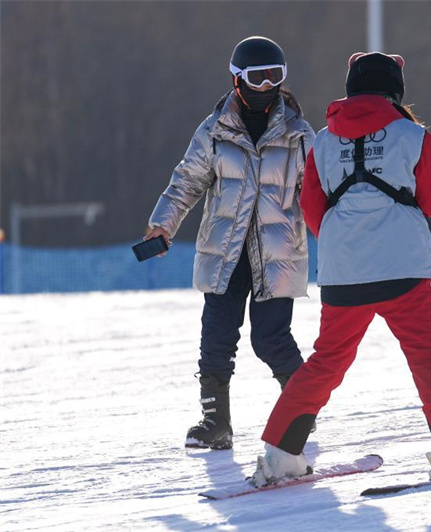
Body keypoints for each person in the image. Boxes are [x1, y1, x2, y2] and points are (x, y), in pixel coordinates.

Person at [248, 52, 431, 487]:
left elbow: (312, 210)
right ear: (394, 89)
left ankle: (280, 454)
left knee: (326, 362)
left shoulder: (324, 141)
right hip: (403, 266)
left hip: (343, 271)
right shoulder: (414, 135)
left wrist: (346, 238)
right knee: (429, 360)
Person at [144, 36, 315, 450]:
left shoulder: (299, 135)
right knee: (217, 338)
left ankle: (301, 413)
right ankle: (215, 421)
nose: (267, 86)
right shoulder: (214, 131)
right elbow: (187, 181)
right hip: (225, 253)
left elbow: (319, 193)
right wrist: (162, 224)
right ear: (237, 80)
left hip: (277, 254)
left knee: (272, 339)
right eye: (257, 78)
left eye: (276, 76)